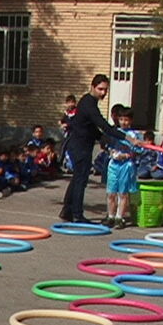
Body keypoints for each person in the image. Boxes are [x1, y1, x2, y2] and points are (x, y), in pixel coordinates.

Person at [61, 74, 141, 223]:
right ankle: (77, 215)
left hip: (81, 144)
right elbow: (103, 125)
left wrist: (104, 139)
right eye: (100, 89)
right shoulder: (89, 104)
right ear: (92, 87)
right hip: (79, 146)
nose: (103, 93)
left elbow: (91, 128)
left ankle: (67, 210)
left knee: (78, 178)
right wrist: (129, 139)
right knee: (81, 179)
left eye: (106, 90)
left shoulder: (88, 101)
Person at [104, 108, 142, 229]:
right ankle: (110, 216)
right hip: (114, 165)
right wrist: (113, 153)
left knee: (123, 193)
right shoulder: (114, 132)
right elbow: (108, 146)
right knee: (111, 193)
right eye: (121, 119)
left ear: (130, 120)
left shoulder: (134, 135)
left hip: (127, 166)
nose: (124, 122)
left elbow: (139, 150)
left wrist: (133, 150)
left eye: (126, 120)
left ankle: (119, 217)